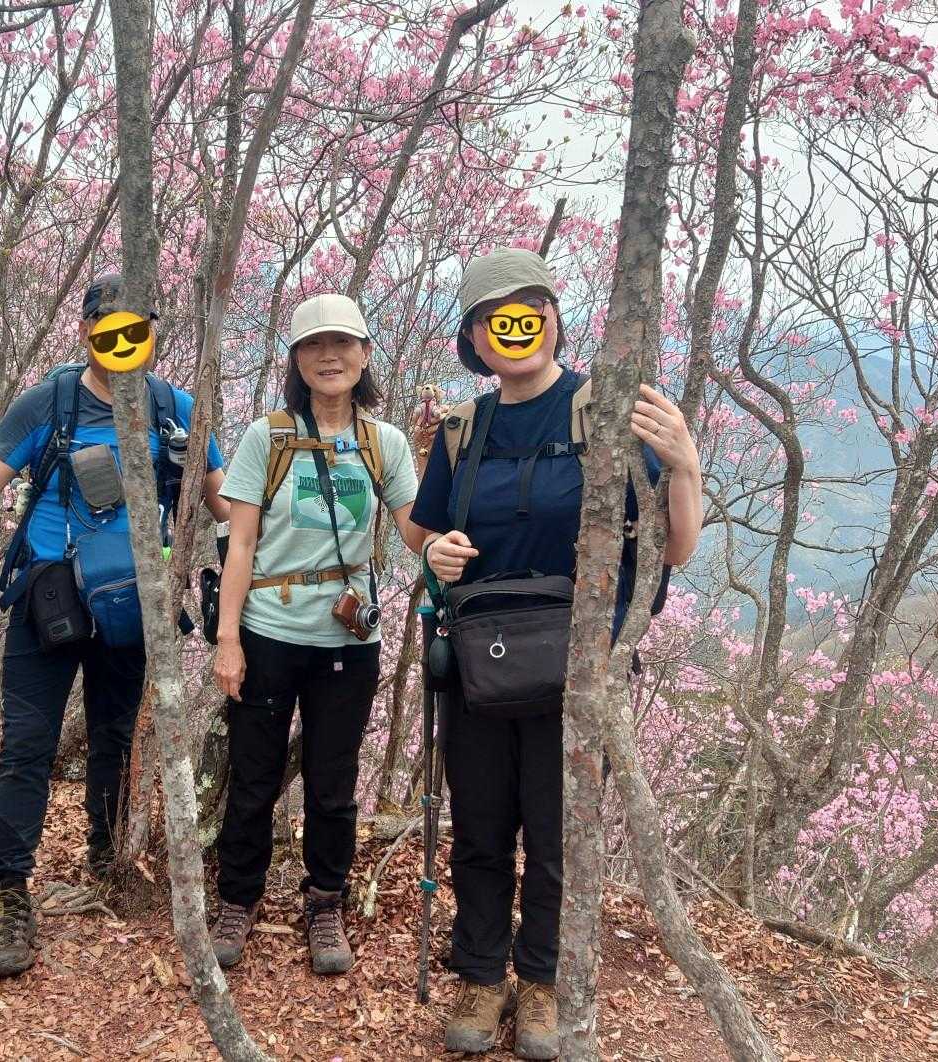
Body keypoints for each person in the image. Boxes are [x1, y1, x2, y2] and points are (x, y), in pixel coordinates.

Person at [0, 275, 230, 980]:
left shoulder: (176, 411)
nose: (121, 339)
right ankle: (8, 890)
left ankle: (108, 857)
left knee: (116, 740)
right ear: (85, 330)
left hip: (134, 604)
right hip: (49, 598)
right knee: (27, 743)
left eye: (136, 326)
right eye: (107, 326)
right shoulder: (49, 404)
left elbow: (222, 503)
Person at [410, 249, 703, 1058]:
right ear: (474, 337)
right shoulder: (463, 430)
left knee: (557, 832)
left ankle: (540, 980)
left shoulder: (605, 413)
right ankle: (481, 975)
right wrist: (434, 552)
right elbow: (425, 530)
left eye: (529, 310)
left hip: (579, 668)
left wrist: (684, 463)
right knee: (480, 826)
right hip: (479, 664)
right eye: (494, 317)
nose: (514, 327)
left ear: (553, 319)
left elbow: (674, 549)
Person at [207, 293, 423, 975]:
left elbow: (414, 531)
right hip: (268, 631)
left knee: (334, 782)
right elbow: (240, 545)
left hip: (347, 641)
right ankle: (236, 898)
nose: (329, 357)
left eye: (342, 343)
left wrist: (445, 474)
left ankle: (326, 900)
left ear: (364, 354)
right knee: (254, 776)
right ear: (297, 360)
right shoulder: (267, 438)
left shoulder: (384, 443)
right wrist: (227, 639)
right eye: (314, 345)